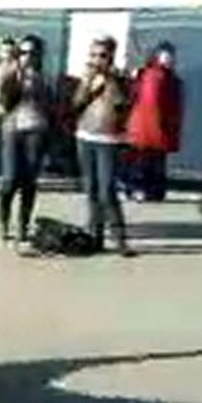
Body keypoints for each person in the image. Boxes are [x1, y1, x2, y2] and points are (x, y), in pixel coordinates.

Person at [73, 36, 135, 257]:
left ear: (111, 56)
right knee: (91, 188)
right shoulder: (87, 77)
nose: (97, 60)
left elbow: (121, 104)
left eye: (102, 55)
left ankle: (119, 238)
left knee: (107, 189)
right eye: (93, 55)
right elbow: (76, 104)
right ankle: (95, 236)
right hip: (85, 136)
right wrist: (87, 82)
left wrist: (110, 79)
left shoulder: (120, 78)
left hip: (109, 139)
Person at [0, 35, 50, 246]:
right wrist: (15, 77)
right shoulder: (10, 74)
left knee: (29, 181)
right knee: (9, 179)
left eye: (32, 53)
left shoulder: (44, 78)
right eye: (23, 53)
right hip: (13, 129)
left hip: (36, 129)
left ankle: (23, 225)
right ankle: (4, 221)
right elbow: (3, 102)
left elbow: (49, 105)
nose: (27, 57)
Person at [125, 42, 184, 202]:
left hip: (153, 127)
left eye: (171, 56)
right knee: (145, 160)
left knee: (152, 160)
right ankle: (143, 189)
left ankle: (150, 190)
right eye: (166, 56)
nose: (170, 59)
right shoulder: (154, 76)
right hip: (149, 128)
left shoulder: (162, 77)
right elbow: (150, 104)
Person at [0, 38, 19, 184]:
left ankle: (10, 175)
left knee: (11, 146)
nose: (7, 54)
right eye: (5, 51)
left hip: (13, 113)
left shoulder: (19, 72)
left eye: (10, 51)